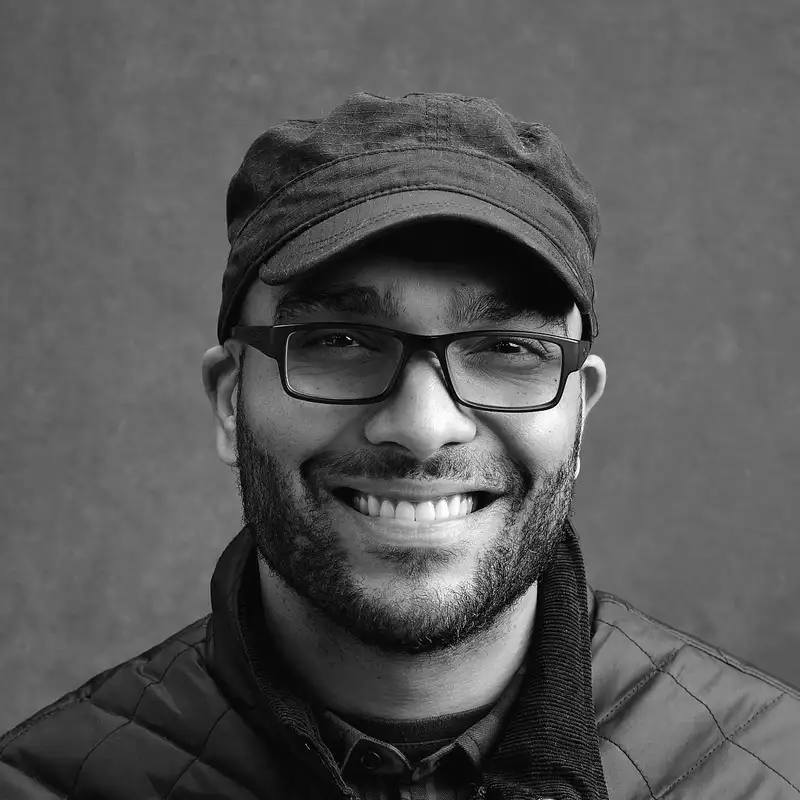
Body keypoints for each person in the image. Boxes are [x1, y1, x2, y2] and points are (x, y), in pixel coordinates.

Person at [1, 91, 798, 800]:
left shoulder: (771, 771)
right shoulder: (40, 784)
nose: (422, 426)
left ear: (579, 413)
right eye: (340, 340)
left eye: (507, 348)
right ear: (230, 400)